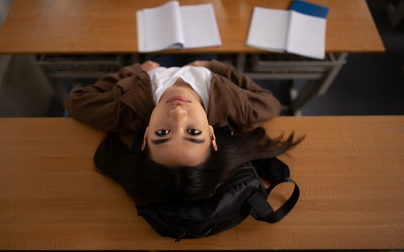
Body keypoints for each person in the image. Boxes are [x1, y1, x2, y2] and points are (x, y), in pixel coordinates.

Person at [64, 59, 302, 206]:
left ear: (146, 135)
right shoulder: (238, 109)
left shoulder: (122, 110)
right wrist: (214, 67)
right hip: (203, 64)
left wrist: (135, 70)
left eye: (164, 132)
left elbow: (76, 101)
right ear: (211, 135)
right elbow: (271, 102)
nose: (178, 114)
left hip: (154, 63)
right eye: (193, 131)